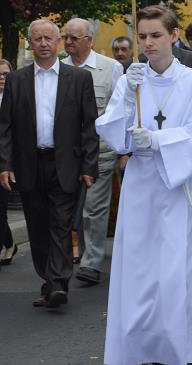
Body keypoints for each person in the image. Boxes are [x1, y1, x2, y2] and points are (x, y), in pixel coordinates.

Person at [97, 5, 192, 364]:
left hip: (177, 185)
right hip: (141, 183)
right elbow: (114, 133)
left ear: (174, 35)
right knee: (139, 267)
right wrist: (127, 108)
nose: (147, 43)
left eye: (155, 35)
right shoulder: (131, 80)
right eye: (142, 36)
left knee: (175, 268)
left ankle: (179, 348)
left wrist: (158, 140)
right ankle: (137, 347)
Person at [0, 20, 99, 308]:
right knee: (38, 226)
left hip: (65, 163)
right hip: (29, 164)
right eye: (37, 38)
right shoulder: (17, 80)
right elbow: (5, 128)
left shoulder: (78, 79)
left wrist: (88, 166)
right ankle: (49, 279)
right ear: (30, 44)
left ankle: (58, 283)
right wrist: (5, 164)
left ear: (58, 42)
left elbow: (89, 125)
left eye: (48, 38)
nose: (43, 43)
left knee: (60, 223)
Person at [62, 18, 123, 285]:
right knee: (71, 209)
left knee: (93, 208)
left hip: (100, 150)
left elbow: (120, 110)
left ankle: (92, 262)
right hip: (65, 153)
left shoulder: (110, 68)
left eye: (74, 38)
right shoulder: (58, 68)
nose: (68, 43)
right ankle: (84, 257)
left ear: (89, 40)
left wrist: (123, 150)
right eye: (65, 37)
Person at [0, 59, 16, 267]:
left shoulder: (16, 97)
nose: (2, 78)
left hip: (7, 162)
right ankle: (10, 242)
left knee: (1, 208)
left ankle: (8, 245)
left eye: (5, 74)